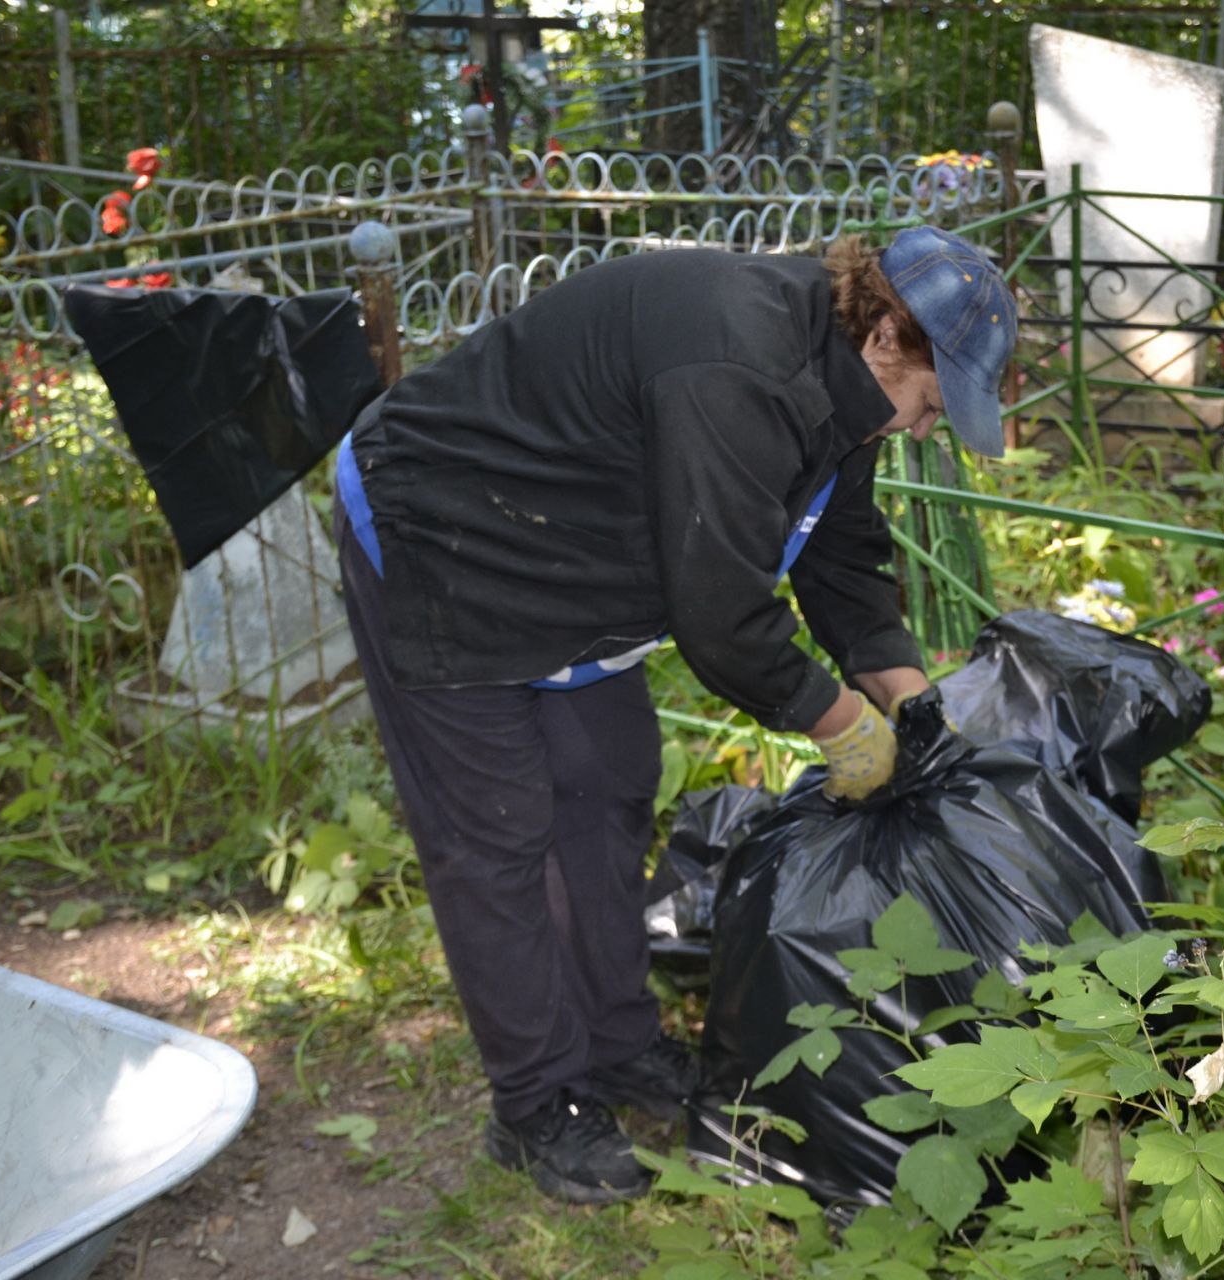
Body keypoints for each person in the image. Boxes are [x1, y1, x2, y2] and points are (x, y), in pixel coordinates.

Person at [331, 227, 1016, 1204]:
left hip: (567, 549)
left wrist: (913, 706)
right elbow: (720, 612)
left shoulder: (839, 381)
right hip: (444, 534)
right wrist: (838, 724)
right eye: (928, 404)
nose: (917, 427)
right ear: (889, 340)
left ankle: (617, 1046)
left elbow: (841, 553)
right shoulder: (734, 361)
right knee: (498, 834)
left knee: (607, 784)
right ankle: (536, 1104)